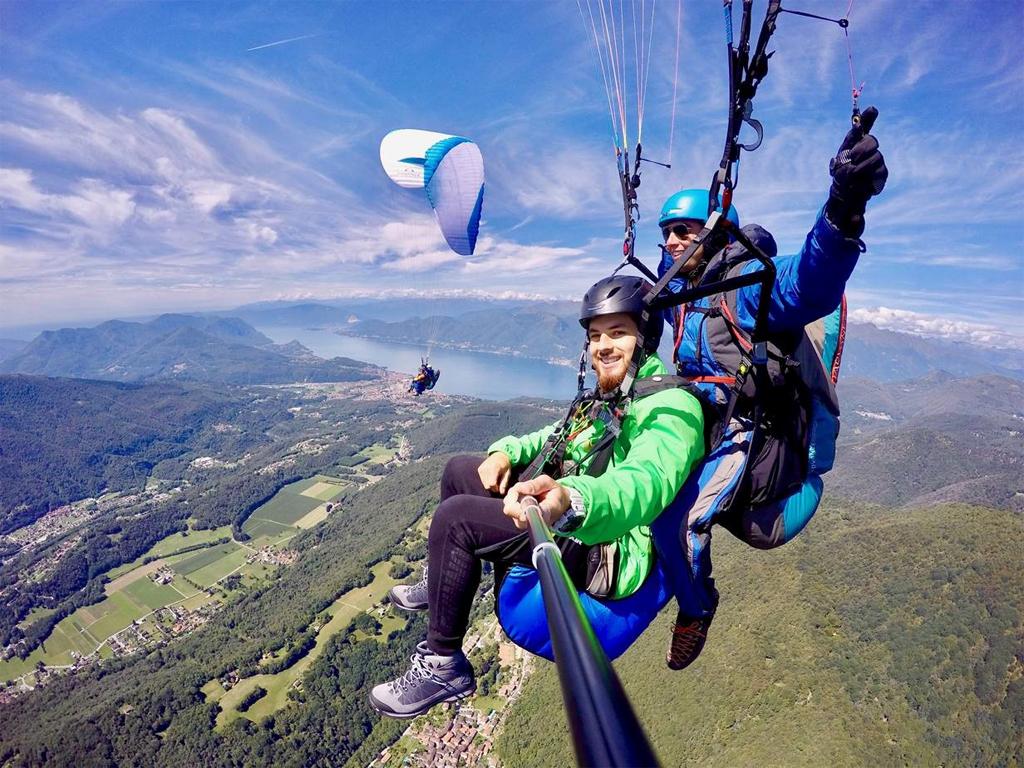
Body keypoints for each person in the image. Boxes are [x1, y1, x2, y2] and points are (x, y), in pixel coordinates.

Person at [369, 275, 706, 719]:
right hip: (571, 511)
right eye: (595, 336)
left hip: (607, 544)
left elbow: (644, 483)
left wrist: (572, 498)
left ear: (645, 337)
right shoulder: (615, 393)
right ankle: (442, 581)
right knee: (458, 471)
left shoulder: (670, 407)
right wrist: (505, 452)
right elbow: (558, 435)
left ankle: (444, 663)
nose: (603, 346)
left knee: (457, 519)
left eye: (617, 332)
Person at [651, 108, 889, 671]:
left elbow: (810, 281)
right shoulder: (685, 296)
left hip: (750, 430)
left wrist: (844, 208)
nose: (670, 243)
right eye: (666, 235)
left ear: (713, 233)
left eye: (681, 232)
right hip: (706, 417)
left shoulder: (748, 284)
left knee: (683, 520)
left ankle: (697, 605)